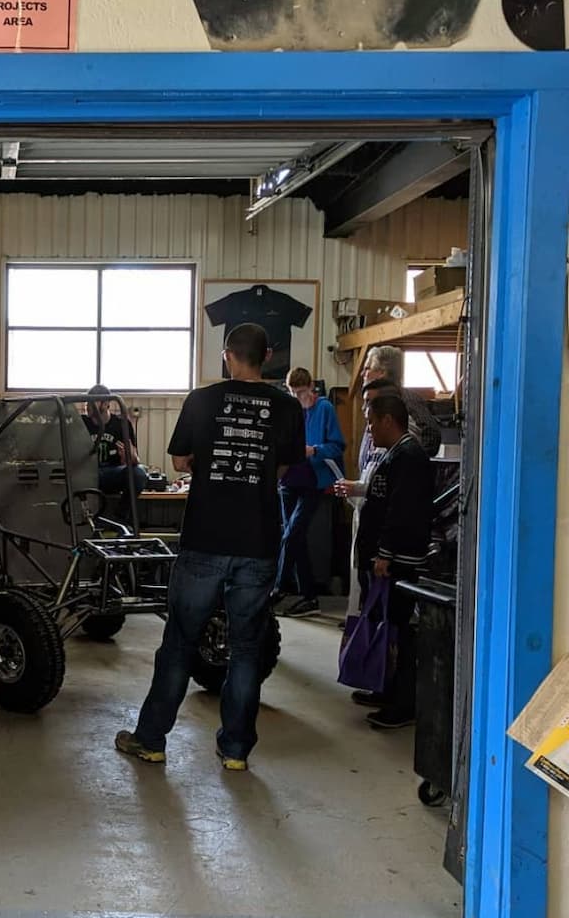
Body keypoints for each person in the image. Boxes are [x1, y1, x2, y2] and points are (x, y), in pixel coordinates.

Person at [115, 323, 305, 771]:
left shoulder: (202, 400)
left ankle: (152, 740)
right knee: (245, 650)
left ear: (227, 355)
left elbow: (180, 461)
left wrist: (209, 459)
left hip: (204, 538)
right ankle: (236, 751)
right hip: (258, 541)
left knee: (180, 643)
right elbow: (280, 470)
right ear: (270, 355)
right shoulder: (286, 405)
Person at [353, 394, 434, 729]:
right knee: (386, 626)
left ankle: (403, 703)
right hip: (386, 555)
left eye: (372, 422)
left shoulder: (409, 456)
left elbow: (400, 509)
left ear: (388, 420)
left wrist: (386, 552)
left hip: (399, 560)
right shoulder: (395, 454)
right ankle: (385, 688)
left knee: (400, 630)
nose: (370, 429)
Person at [273, 368, 345, 618]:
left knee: (292, 533)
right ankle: (308, 596)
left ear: (311, 387)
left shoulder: (324, 409)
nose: (298, 398)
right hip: (288, 481)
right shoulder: (289, 409)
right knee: (296, 537)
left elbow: (337, 446)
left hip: (313, 480)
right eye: (293, 393)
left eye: (302, 393)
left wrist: (314, 450)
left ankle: (279, 587)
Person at [360, 346, 441, 460]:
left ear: (383, 372)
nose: (362, 374)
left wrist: (410, 460)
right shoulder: (374, 398)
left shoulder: (407, 399)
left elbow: (432, 434)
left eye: (367, 368)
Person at [82, 385, 147, 502]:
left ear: (106, 403)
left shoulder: (122, 424)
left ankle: (121, 516)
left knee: (139, 473)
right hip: (86, 473)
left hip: (112, 472)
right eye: (87, 401)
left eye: (93, 401)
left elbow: (136, 460)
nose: (88, 405)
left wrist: (130, 457)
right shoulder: (80, 423)